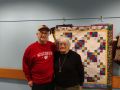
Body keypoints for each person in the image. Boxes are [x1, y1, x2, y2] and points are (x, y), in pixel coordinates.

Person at [22, 25, 56, 90]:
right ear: (37, 34)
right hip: (37, 83)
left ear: (48, 35)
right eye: (41, 33)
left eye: (45, 33)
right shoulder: (30, 49)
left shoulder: (52, 46)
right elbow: (25, 65)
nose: (43, 35)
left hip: (51, 82)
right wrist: (29, 79)